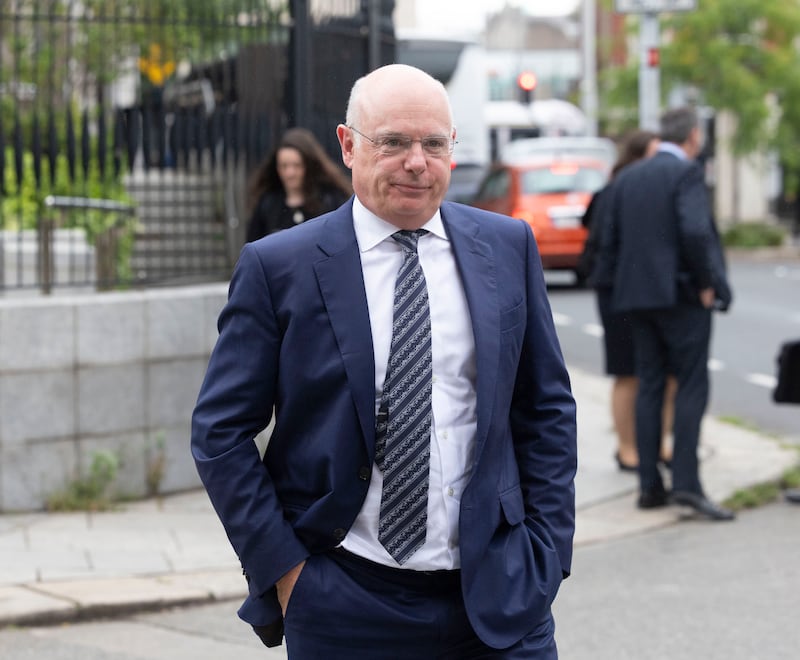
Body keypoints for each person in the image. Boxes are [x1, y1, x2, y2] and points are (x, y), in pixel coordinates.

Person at [191, 64, 577, 658]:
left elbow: (545, 407)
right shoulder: (279, 267)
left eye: (433, 143)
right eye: (393, 142)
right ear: (348, 145)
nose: (416, 162)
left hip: (500, 597)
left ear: (453, 148)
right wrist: (287, 574)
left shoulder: (507, 246)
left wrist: (546, 553)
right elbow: (219, 433)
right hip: (345, 598)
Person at [596, 106, 734, 521]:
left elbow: (609, 238)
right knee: (691, 385)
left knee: (650, 384)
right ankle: (688, 485)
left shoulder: (628, 176)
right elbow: (695, 231)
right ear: (693, 136)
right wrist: (709, 282)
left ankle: (649, 487)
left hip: (636, 298)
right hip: (682, 295)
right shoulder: (686, 173)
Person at [580, 130, 676, 472]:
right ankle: (627, 448)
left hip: (652, 293)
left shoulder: (656, 190)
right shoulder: (616, 190)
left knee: (667, 373)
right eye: (655, 152)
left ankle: (660, 444)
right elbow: (600, 234)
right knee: (628, 371)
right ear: (637, 156)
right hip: (618, 293)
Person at [245, 127, 352, 242]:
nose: (290, 173)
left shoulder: (330, 201)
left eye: (296, 165)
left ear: (308, 166)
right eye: (284, 166)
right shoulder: (268, 204)